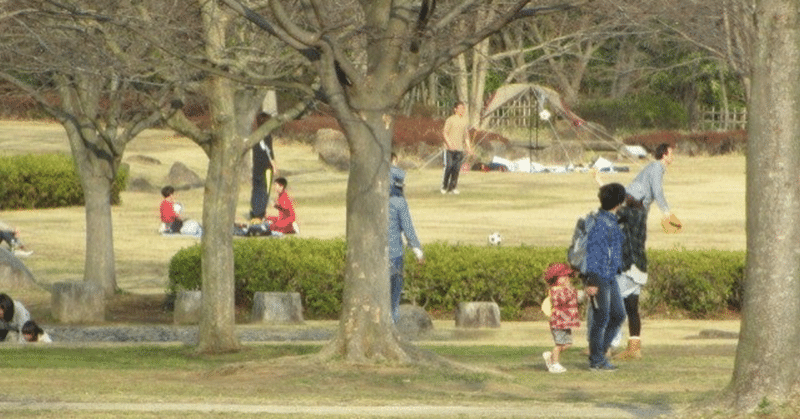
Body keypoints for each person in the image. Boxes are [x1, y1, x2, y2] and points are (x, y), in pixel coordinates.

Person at [594, 143, 675, 360]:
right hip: (640, 268)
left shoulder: (627, 216)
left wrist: (666, 212)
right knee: (632, 308)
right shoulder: (640, 219)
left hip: (628, 268)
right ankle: (634, 348)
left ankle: (607, 346)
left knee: (612, 305)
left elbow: (654, 192)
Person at [584, 182, 627, 371]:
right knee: (601, 318)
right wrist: (590, 281)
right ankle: (596, 359)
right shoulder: (601, 223)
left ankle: (600, 353)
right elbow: (593, 253)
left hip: (610, 275)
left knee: (618, 314)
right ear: (619, 201)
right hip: (598, 276)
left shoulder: (611, 220)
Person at [388, 153, 424, 323]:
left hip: (372, 257)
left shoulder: (370, 200)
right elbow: (408, 229)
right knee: (393, 300)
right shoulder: (398, 202)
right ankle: (392, 329)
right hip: (394, 255)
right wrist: (417, 251)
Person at [542, 263, 582, 374]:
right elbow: (561, 301)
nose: (566, 279)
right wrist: (569, 289)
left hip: (566, 323)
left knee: (568, 344)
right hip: (558, 322)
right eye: (563, 277)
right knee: (559, 344)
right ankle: (555, 364)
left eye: (567, 276)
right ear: (556, 278)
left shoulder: (566, 289)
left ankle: (550, 356)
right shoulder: (555, 290)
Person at [249, 112, 278, 222]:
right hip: (266, 167)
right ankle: (259, 214)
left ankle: (255, 211)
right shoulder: (267, 135)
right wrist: (274, 165)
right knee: (264, 189)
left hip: (256, 165)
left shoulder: (255, 134)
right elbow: (269, 152)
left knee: (256, 188)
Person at [441, 101, 473, 194]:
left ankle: (453, 187)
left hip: (460, 149)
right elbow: (445, 133)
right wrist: (449, 144)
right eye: (460, 108)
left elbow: (466, 136)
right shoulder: (450, 120)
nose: (462, 110)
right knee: (449, 167)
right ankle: (444, 186)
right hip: (449, 149)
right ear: (455, 109)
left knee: (456, 168)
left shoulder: (464, 121)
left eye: (463, 108)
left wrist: (469, 148)